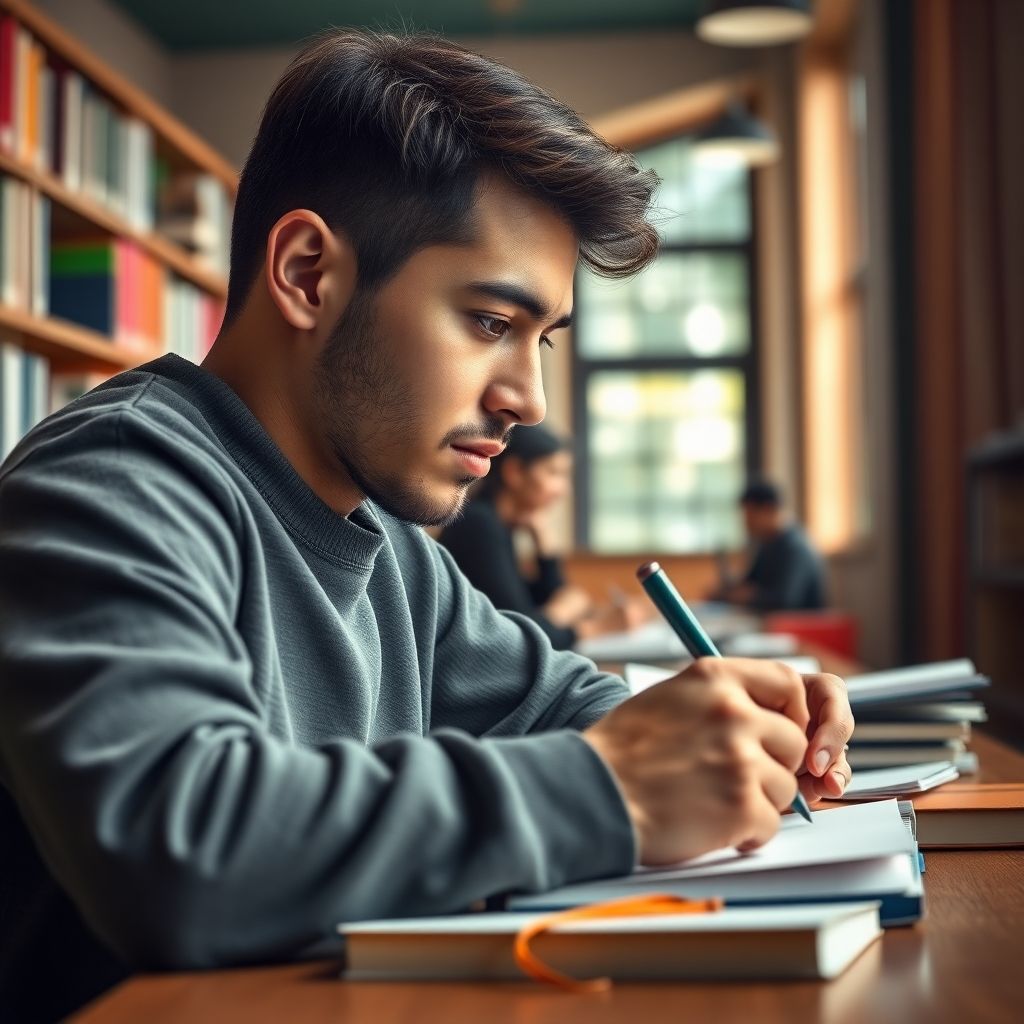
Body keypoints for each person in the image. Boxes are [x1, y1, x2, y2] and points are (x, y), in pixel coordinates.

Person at [0, 30, 853, 1021]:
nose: (528, 399)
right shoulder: (112, 482)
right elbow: (177, 845)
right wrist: (609, 787)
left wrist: (738, 722)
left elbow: (562, 711)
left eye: (542, 338)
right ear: (308, 272)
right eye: (491, 322)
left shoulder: (396, 550)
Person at [439, 424, 644, 648]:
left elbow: (550, 599)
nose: (563, 490)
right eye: (553, 473)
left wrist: (545, 546)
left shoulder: (499, 525)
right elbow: (517, 638)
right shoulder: (478, 525)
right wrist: (594, 627)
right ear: (514, 472)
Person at [716, 480, 827, 612]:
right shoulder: (768, 544)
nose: (746, 524)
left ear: (768, 509)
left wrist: (749, 596)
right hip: (774, 624)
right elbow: (749, 582)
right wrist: (725, 592)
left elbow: (786, 601)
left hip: (801, 627)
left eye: (750, 516)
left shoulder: (795, 547)